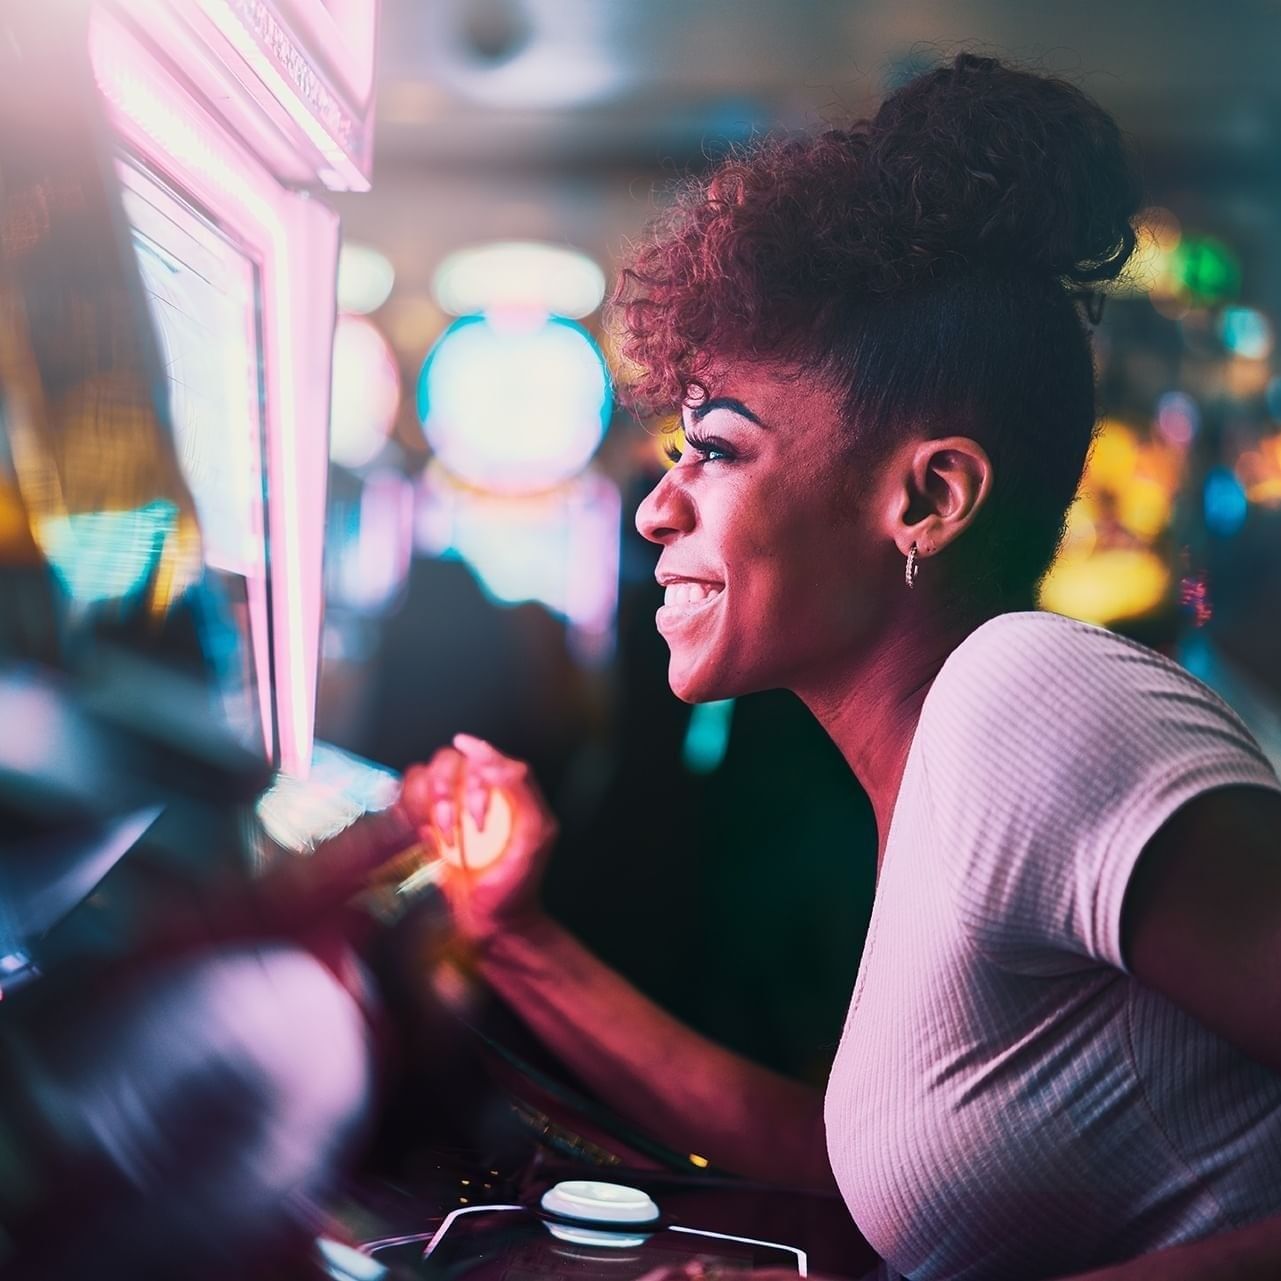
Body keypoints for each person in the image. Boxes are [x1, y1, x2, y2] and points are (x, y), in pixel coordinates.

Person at [401, 54, 1281, 1281]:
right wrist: (512, 937)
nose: (656, 511)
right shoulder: (932, 767)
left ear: (926, 497)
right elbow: (858, 1169)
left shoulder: (1028, 698)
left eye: (715, 449)